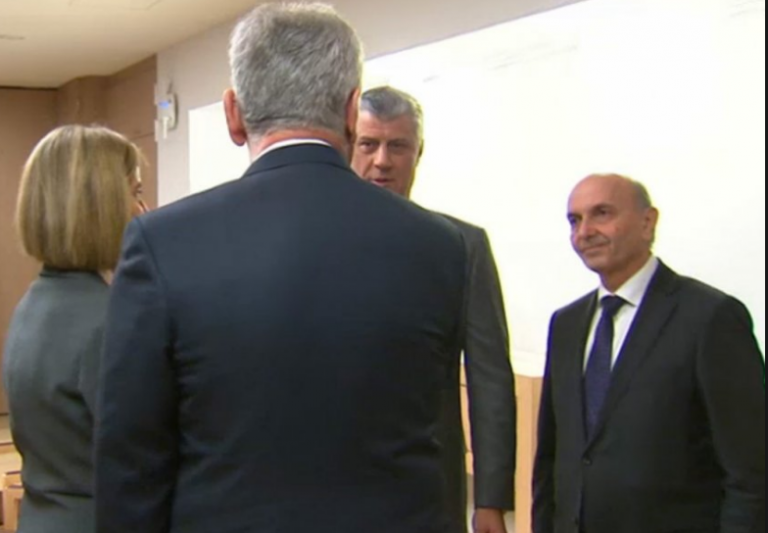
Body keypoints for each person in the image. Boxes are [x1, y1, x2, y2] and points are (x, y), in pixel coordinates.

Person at [94, 4, 468, 533]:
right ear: (351, 110)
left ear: (233, 112)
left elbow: (131, 465)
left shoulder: (163, 245)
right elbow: (432, 433)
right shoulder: (439, 246)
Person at [533, 173, 765, 533]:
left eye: (602, 213)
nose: (584, 232)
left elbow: (749, 470)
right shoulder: (566, 324)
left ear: (647, 222)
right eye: (574, 220)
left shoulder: (709, 318)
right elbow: (552, 458)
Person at [351, 86, 516, 533]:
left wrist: (491, 499)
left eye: (397, 146)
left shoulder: (462, 246)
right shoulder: (313, 241)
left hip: (429, 488)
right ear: (348, 146)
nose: (382, 161)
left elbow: (490, 378)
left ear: (418, 153)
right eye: (368, 144)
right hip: (330, 483)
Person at [2, 124, 146, 533]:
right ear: (100, 207)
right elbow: (142, 461)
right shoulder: (106, 320)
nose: (144, 209)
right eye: (135, 193)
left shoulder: (33, 304)